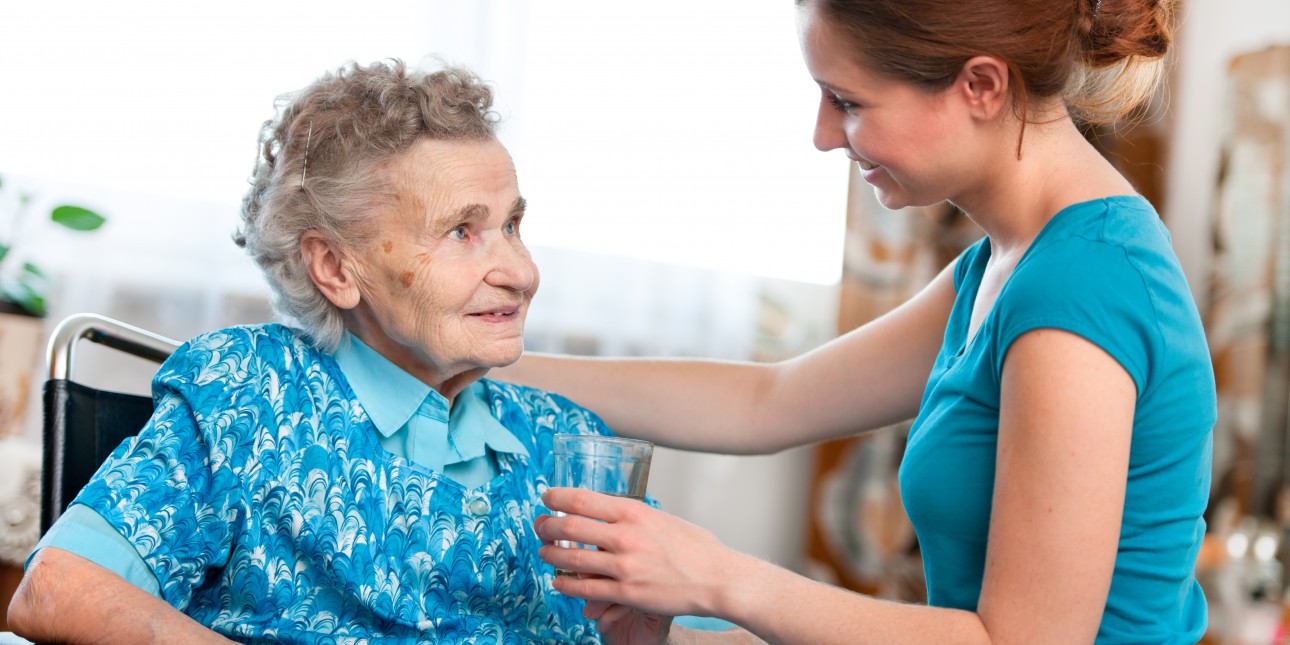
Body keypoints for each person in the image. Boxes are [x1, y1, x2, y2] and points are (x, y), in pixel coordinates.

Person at [496, 0, 1215, 643]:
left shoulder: (1083, 284)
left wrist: (719, 579)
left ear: (982, 87)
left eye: (847, 100)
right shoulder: (1005, 266)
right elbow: (770, 399)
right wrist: (489, 364)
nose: (823, 134)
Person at [7, 59, 630, 644]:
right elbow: (59, 589)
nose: (521, 272)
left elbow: (646, 630)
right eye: (460, 232)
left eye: (512, 226)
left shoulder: (567, 441)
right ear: (334, 267)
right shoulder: (247, 394)